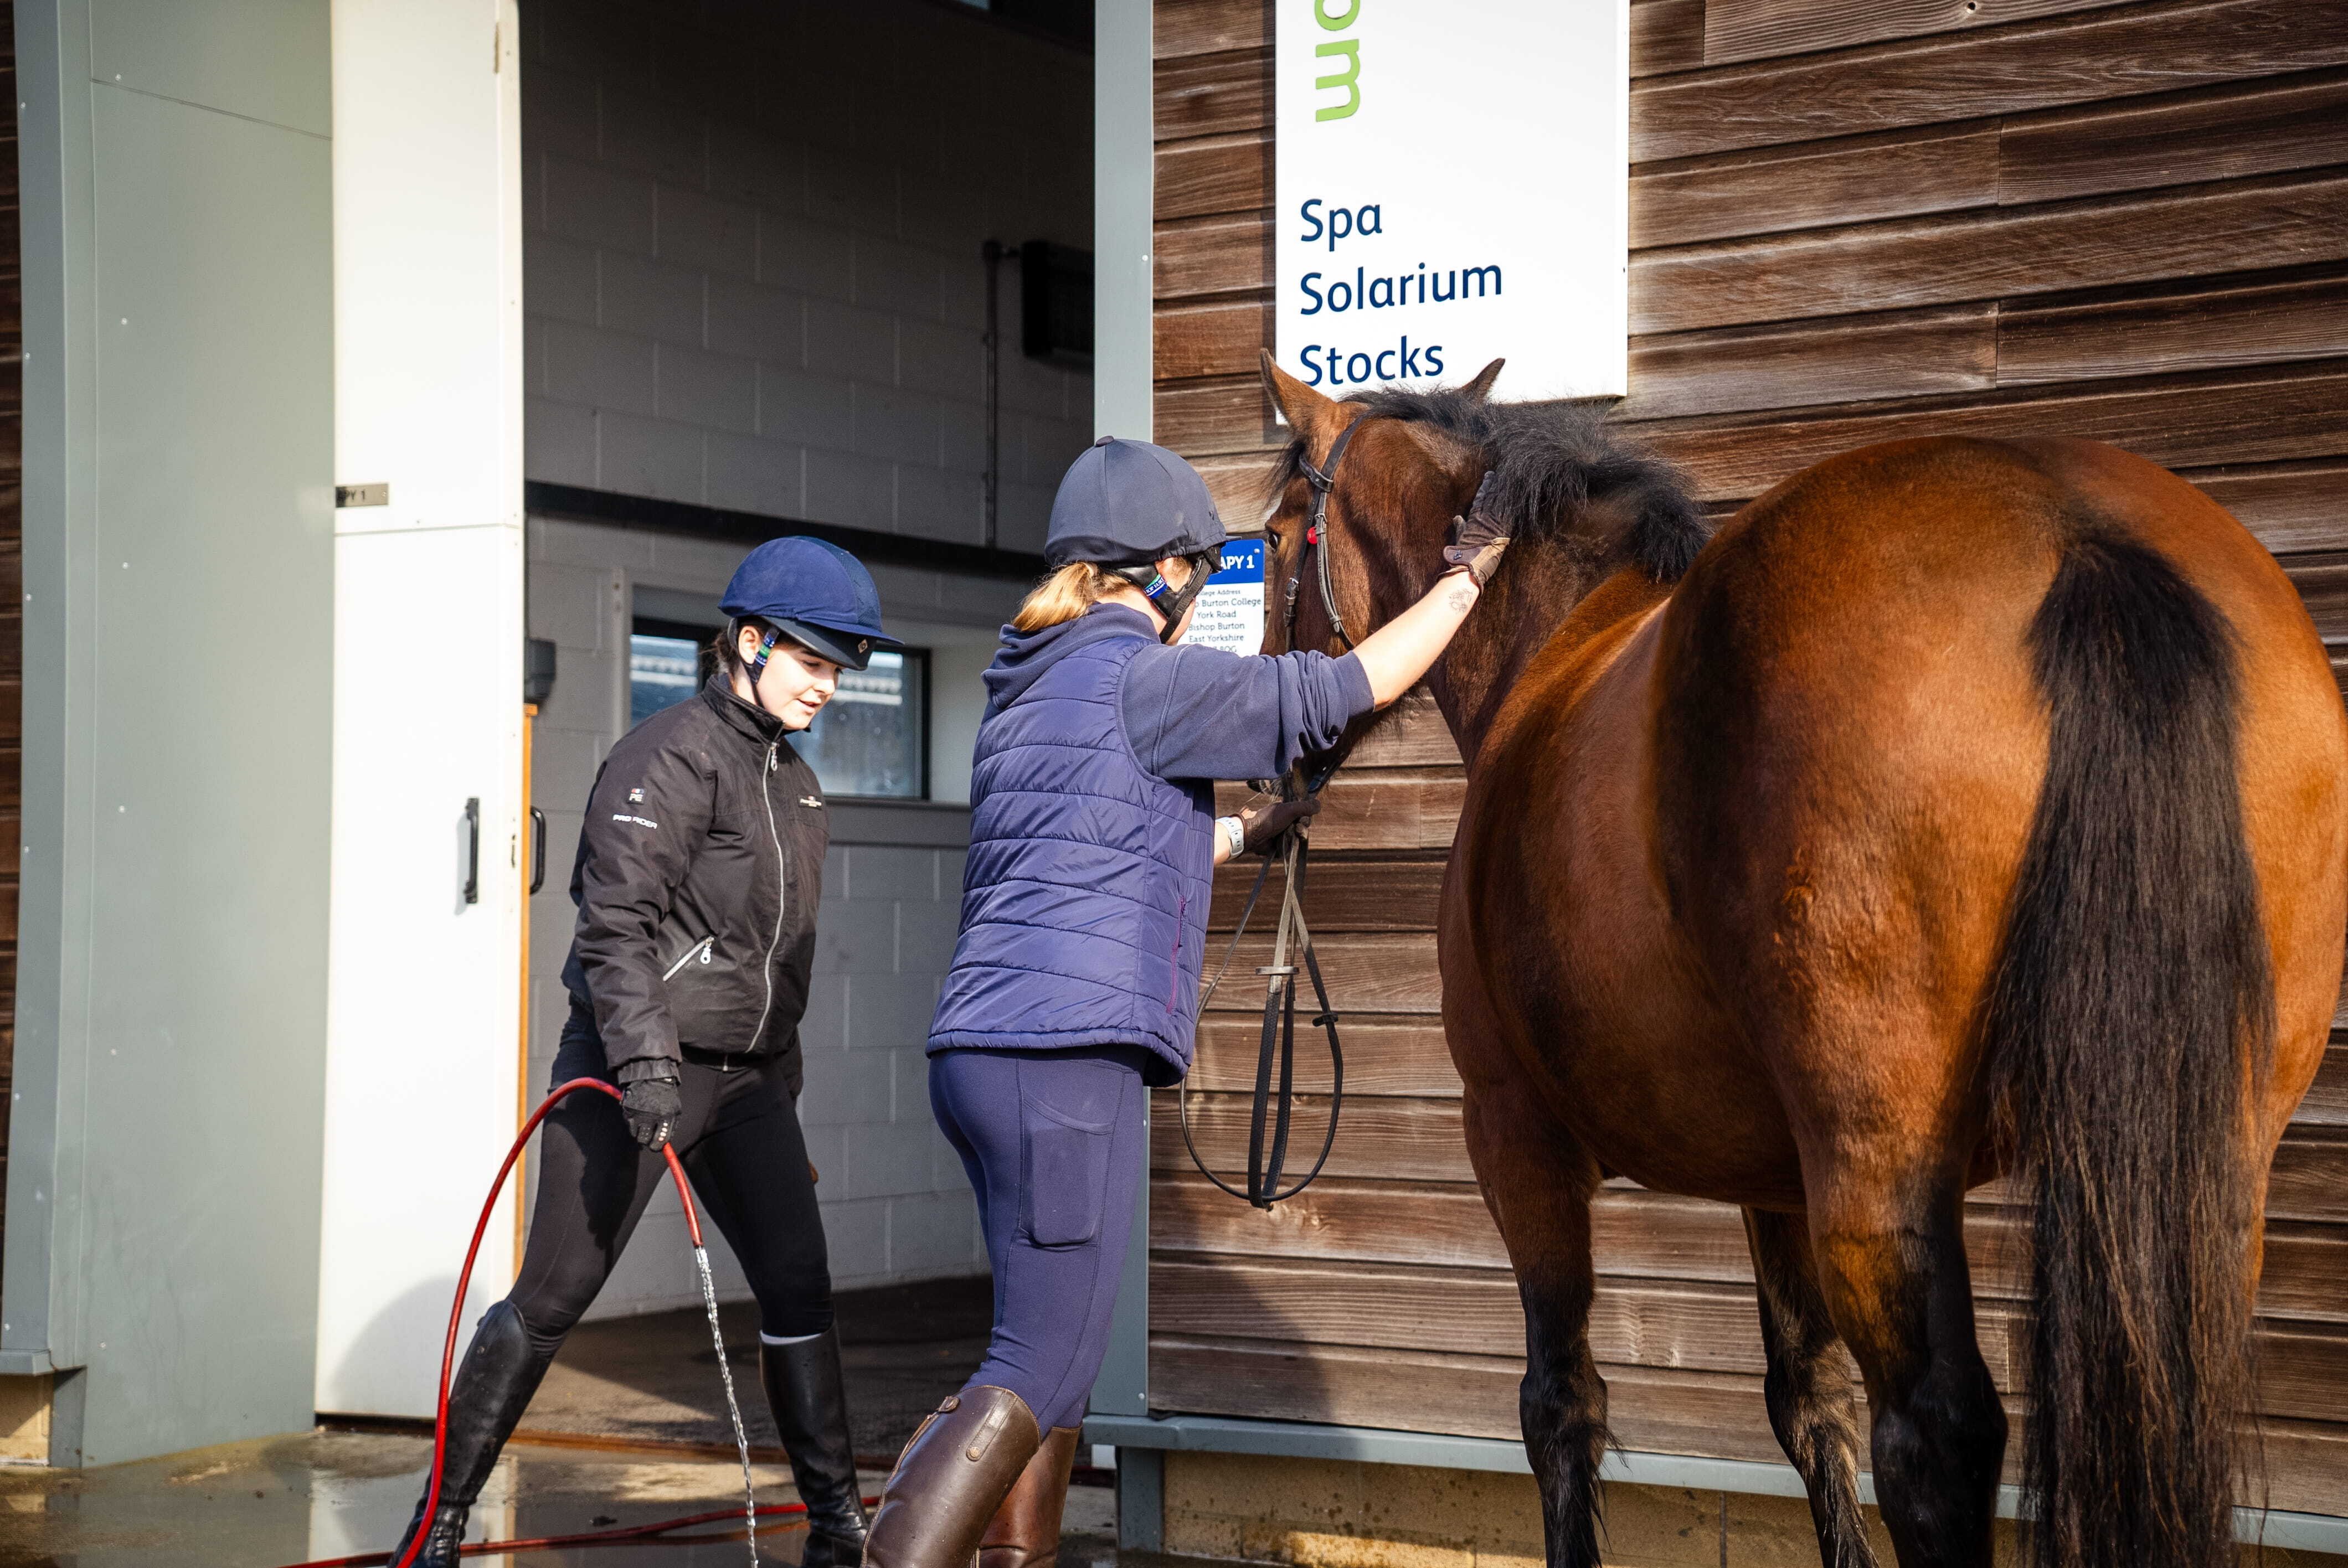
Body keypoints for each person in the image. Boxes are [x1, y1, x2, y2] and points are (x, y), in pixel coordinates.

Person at [860, 437, 1512, 1568]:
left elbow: (1095, 844)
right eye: (1197, 575)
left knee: (1041, 1355)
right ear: (1159, 569)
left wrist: (1239, 830)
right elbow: (1338, 688)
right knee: (1041, 1364)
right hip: (1066, 1063)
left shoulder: (1028, 685)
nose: (1197, 595)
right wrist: (1461, 582)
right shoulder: (1141, 674)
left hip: (984, 1055)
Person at [389, 537, 902, 1568]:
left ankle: (839, 1527)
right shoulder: (668, 754)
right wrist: (646, 1065)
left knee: (800, 1283)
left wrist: (786, 1095)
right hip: (632, 1066)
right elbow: (612, 926)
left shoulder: (797, 786)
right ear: (750, 643)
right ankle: (437, 1524)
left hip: (750, 1082)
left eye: (843, 667)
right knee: (553, 1295)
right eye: (813, 660)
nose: (829, 685)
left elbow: (775, 966)